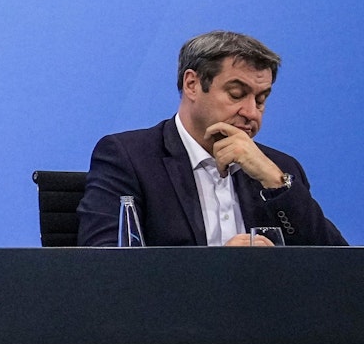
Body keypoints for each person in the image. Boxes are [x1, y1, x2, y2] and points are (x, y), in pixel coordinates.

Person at [77, 31, 346, 247]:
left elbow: (340, 271)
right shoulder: (129, 157)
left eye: (261, 100)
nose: (251, 112)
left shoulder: (279, 168)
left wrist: (277, 185)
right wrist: (217, 270)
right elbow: (106, 267)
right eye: (237, 94)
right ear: (192, 85)